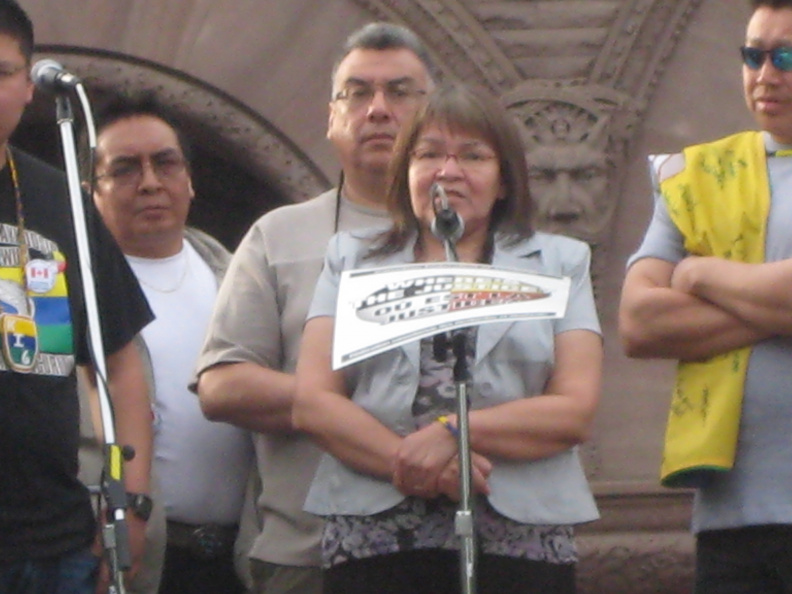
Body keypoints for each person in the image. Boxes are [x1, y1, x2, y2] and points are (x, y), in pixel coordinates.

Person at [292, 82, 603, 594]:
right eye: (429, 154)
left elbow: (574, 408)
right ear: (405, 173)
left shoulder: (559, 264)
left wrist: (451, 432)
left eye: (473, 156)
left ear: (504, 180)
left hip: (519, 534)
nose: (448, 171)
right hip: (378, 536)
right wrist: (417, 467)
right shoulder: (351, 261)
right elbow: (313, 400)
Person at [193, 22, 437, 594]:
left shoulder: (476, 236)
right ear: (331, 118)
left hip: (453, 548)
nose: (378, 109)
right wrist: (350, 397)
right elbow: (222, 384)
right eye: (357, 92)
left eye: (400, 92)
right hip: (310, 555)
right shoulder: (278, 236)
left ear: (437, 113)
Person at [619, 1, 792, 591]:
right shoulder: (699, 176)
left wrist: (699, 276)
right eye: (753, 55)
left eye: (786, 56)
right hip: (733, 518)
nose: (765, 74)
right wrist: (775, 307)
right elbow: (639, 323)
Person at [0, 1, 154, 592]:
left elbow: (119, 361)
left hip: (54, 540)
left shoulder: (58, 198)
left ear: (29, 85)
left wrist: (130, 504)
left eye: (3, 72)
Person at [89, 95, 254, 594]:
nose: (150, 182)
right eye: (125, 169)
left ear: (189, 178)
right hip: (132, 560)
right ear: (90, 191)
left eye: (165, 163)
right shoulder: (72, 292)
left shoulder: (241, 278)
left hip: (239, 560)